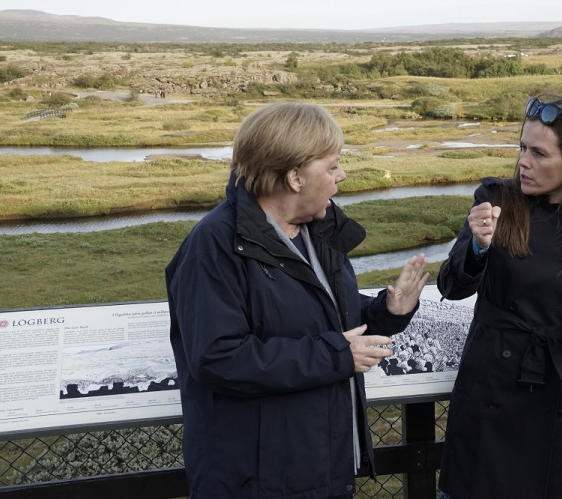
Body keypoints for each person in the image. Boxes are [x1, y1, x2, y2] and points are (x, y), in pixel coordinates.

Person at [166, 102, 430, 498]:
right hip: (257, 481)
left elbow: (322, 318)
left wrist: (388, 312)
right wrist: (337, 356)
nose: (342, 176)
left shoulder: (315, 231)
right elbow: (218, 358)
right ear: (294, 177)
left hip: (320, 467)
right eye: (332, 166)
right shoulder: (214, 246)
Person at [437, 96, 562, 498]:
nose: (524, 161)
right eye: (522, 148)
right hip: (494, 391)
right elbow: (452, 287)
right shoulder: (495, 199)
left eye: (539, 153)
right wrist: (477, 247)